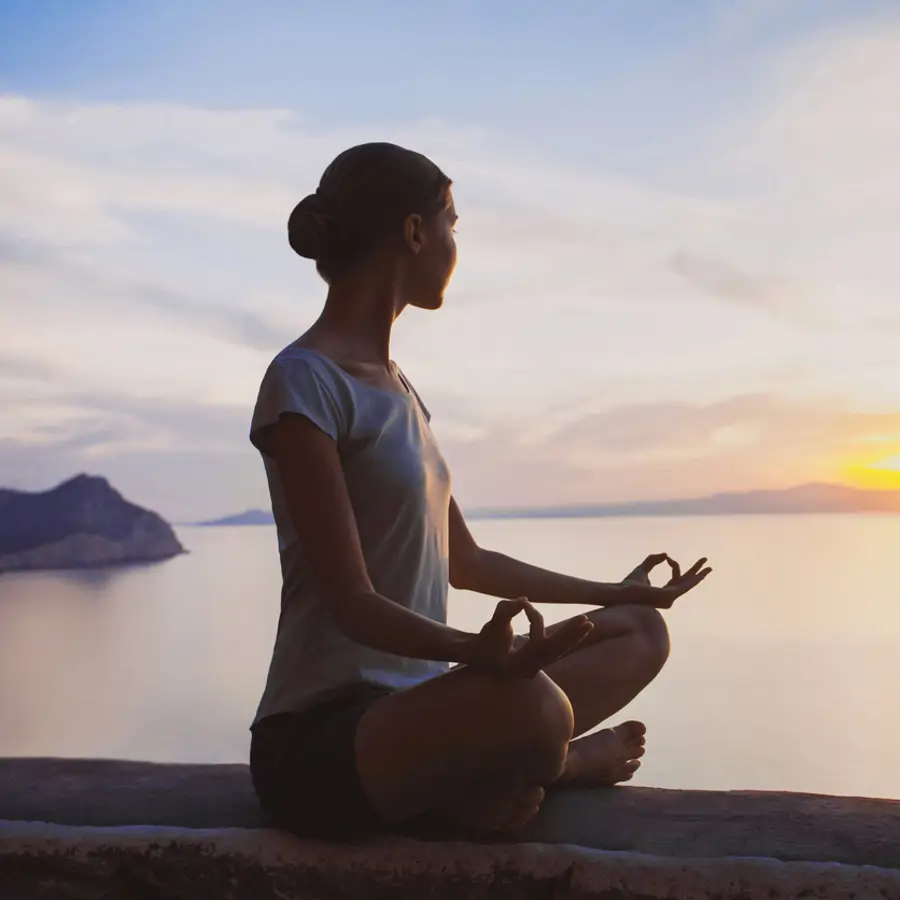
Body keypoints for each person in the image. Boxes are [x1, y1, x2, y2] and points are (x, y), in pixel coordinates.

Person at [247, 142, 712, 841]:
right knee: (539, 712)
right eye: (451, 224)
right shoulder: (305, 382)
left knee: (640, 634)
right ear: (413, 233)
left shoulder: (402, 391)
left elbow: (467, 562)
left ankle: (481, 778)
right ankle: (553, 765)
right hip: (327, 738)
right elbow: (352, 604)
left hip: (432, 706)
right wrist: (476, 653)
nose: (454, 243)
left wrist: (618, 594)